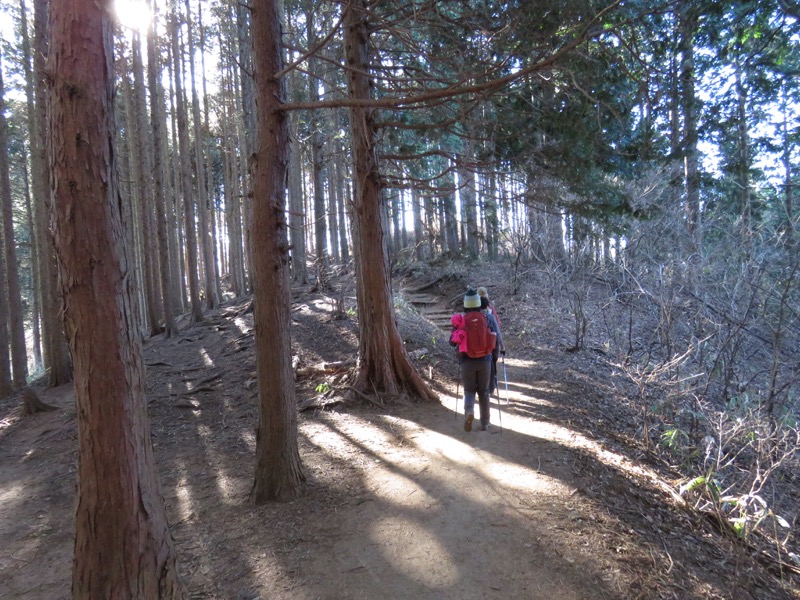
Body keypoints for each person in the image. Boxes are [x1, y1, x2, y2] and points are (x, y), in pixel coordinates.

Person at [451, 288, 503, 432]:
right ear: (479, 303)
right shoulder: (488, 318)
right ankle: (485, 423)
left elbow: (452, 341)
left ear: (465, 305)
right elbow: (495, 337)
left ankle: (469, 411)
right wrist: (494, 356)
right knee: (484, 391)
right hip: (485, 360)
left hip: (467, 360)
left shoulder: (461, 320)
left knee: (469, 390)